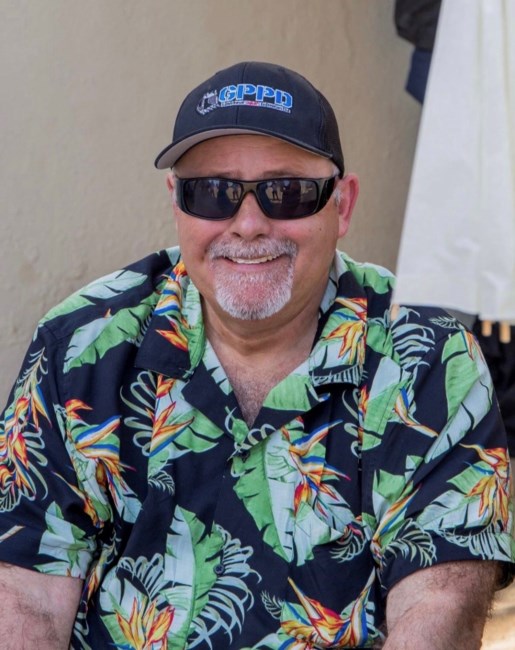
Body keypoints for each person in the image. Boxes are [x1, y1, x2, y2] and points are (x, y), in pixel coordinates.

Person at [0, 61, 513, 650]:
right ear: (176, 203)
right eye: (212, 193)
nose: (247, 224)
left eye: (286, 193)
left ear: (343, 205)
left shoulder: (427, 358)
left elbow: (441, 601)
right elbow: (24, 595)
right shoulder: (82, 345)